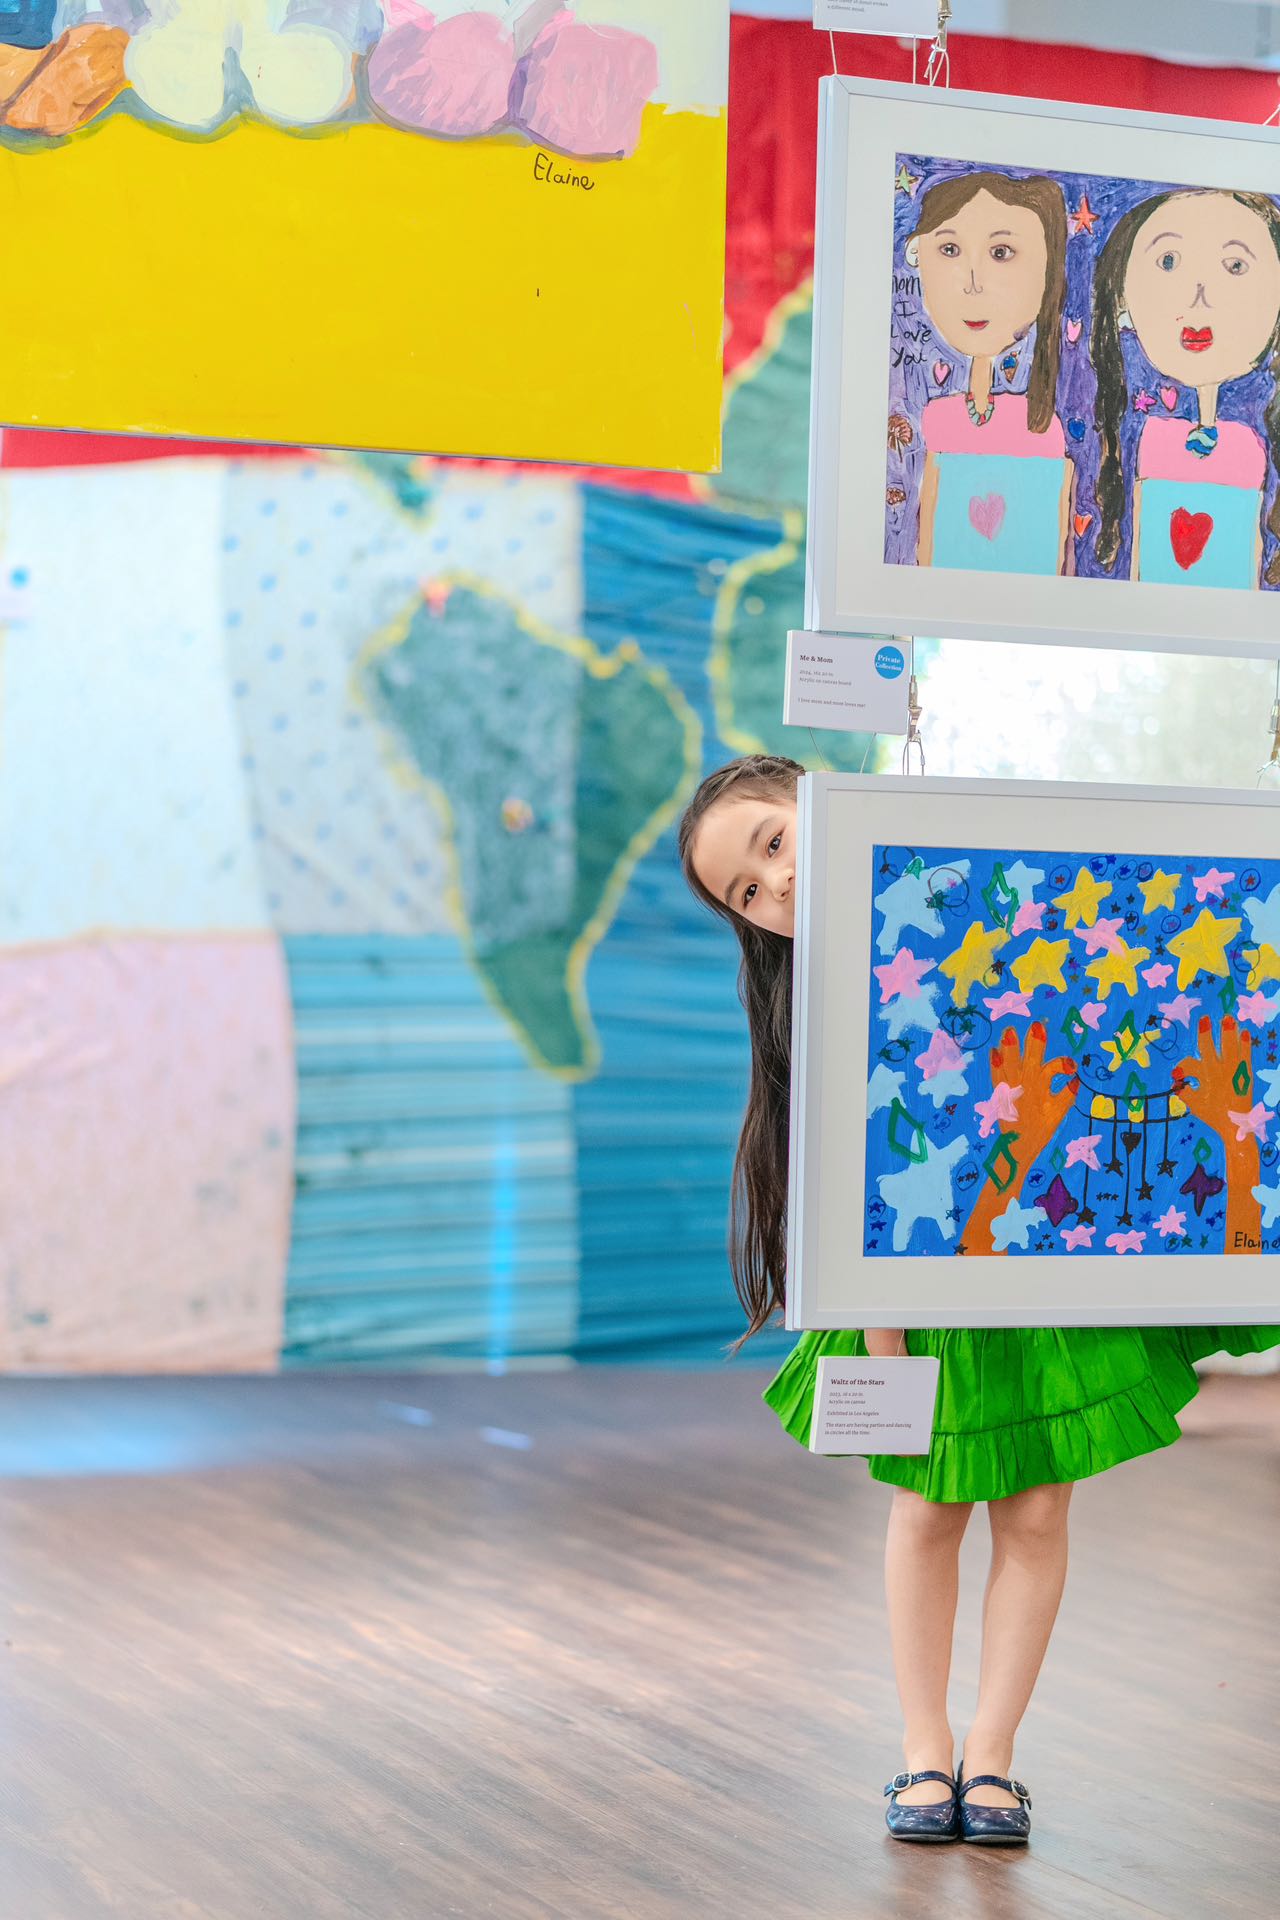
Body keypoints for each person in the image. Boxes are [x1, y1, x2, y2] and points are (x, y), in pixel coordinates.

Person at [678, 750, 1280, 1845]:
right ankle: (922, 1752)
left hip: (1036, 1262)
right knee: (927, 1505)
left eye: (771, 846)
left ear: (817, 799)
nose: (774, 894)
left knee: (1038, 1508)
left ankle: (992, 1757)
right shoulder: (813, 1008)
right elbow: (842, 1180)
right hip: (910, 1281)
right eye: (746, 896)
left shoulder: (967, 906)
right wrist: (882, 1336)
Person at [1092, 187, 1280, 587]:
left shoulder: (1251, 449)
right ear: (1122, 294)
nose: (1200, 293)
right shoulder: (1149, 444)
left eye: (1234, 265)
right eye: (1168, 260)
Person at [904, 171, 1073, 576]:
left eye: (1001, 253)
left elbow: (1053, 558)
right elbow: (926, 549)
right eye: (948, 249)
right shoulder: (938, 420)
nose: (973, 283)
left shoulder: (1046, 430)